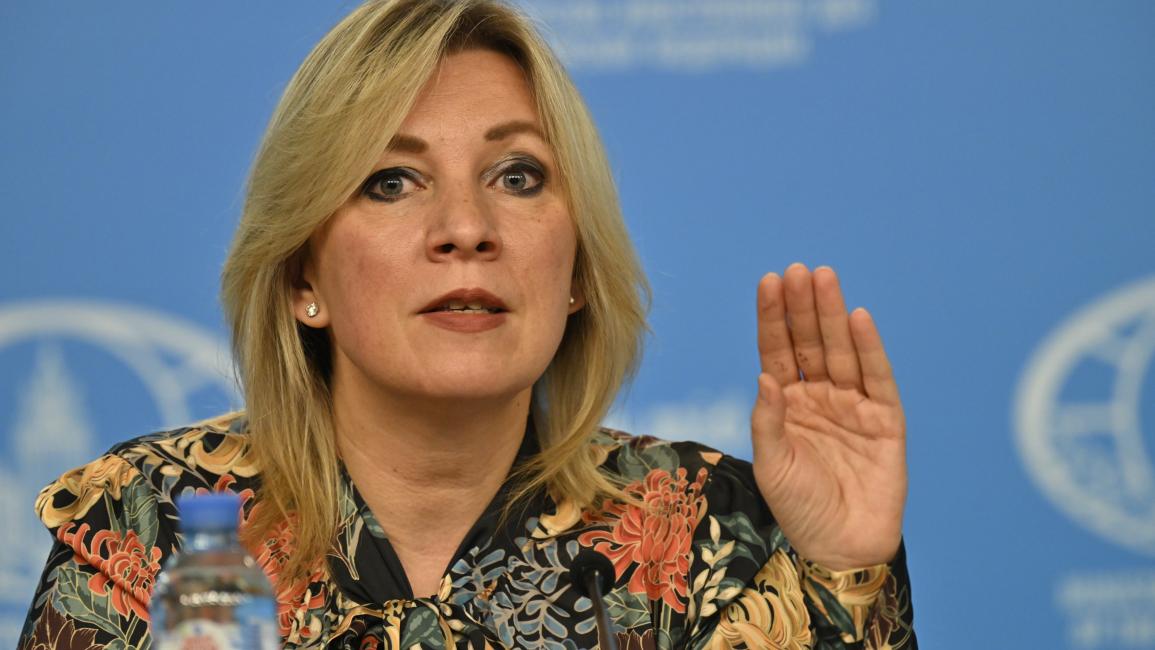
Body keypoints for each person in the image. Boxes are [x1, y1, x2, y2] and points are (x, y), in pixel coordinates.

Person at [20, 1, 916, 648]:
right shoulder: (152, 524)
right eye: (391, 181)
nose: (466, 228)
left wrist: (844, 575)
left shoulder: (708, 532)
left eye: (516, 176)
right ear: (302, 275)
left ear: (576, 271)